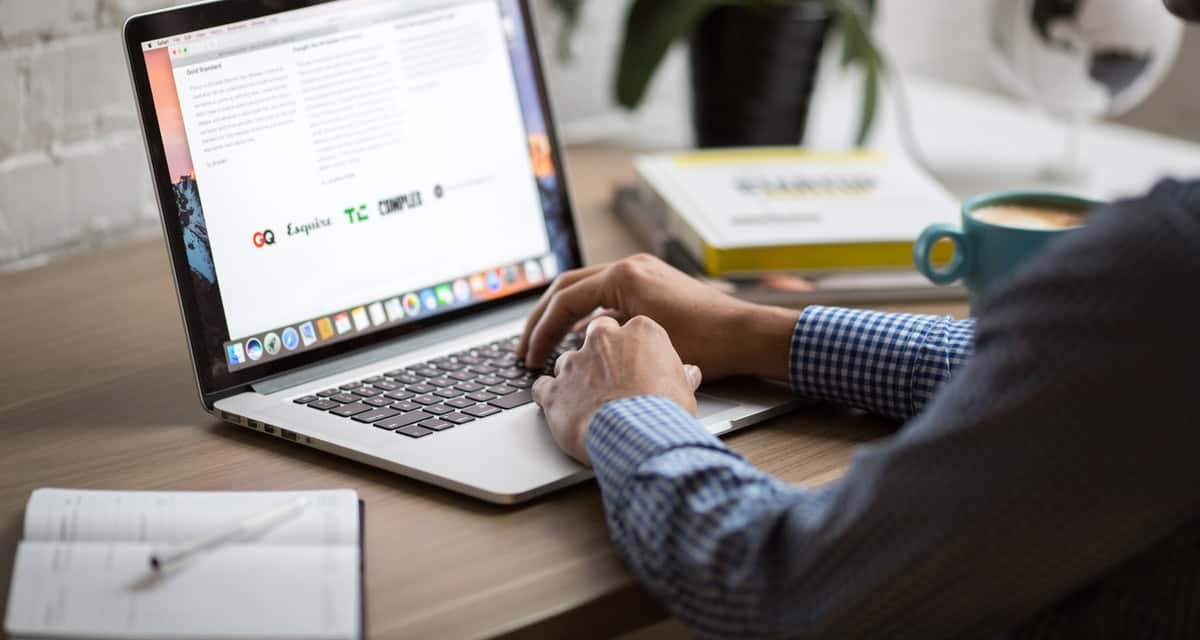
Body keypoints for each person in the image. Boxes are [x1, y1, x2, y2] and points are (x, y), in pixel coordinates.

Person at [517, 5, 1200, 637]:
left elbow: (784, 590)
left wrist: (630, 413)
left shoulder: (1164, 266)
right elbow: (1080, 378)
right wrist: (758, 332)